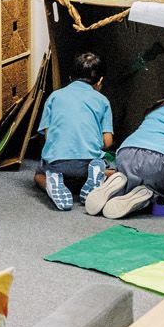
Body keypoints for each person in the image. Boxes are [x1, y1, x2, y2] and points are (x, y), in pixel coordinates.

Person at [82, 79, 164, 218]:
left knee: (132, 179)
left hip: (125, 153)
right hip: (160, 160)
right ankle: (149, 196)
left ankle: (118, 188)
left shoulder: (160, 106)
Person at [34, 52, 113, 211]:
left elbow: (49, 137)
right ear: (100, 81)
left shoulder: (54, 97)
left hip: (58, 162)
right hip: (88, 162)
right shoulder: (103, 101)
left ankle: (52, 182)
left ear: (70, 77)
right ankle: (97, 177)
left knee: (38, 176)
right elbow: (107, 142)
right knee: (115, 172)